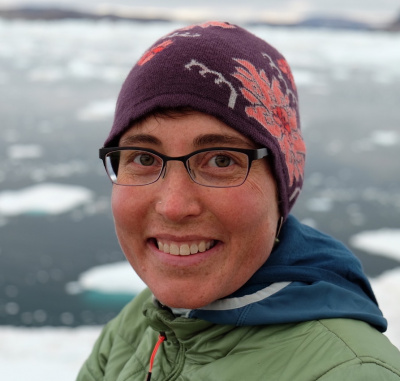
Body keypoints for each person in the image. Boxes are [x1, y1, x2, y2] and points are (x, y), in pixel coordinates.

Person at [77, 21, 400, 380]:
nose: (173, 205)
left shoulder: (351, 373)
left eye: (220, 160)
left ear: (281, 186)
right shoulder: (141, 322)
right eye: (144, 158)